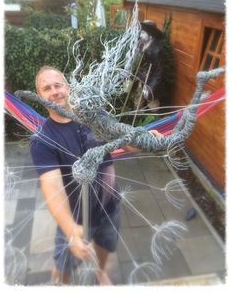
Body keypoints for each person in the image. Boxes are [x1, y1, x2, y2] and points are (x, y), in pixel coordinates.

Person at [30, 65, 162, 285]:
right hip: (75, 217)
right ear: (40, 97)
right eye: (46, 88)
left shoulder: (94, 115)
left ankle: (100, 272)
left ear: (68, 87)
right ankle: (61, 281)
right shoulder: (42, 139)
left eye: (58, 85)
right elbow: (51, 186)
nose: (54, 91)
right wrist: (71, 230)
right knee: (65, 261)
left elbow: (127, 140)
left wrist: (146, 138)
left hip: (109, 204)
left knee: (106, 244)